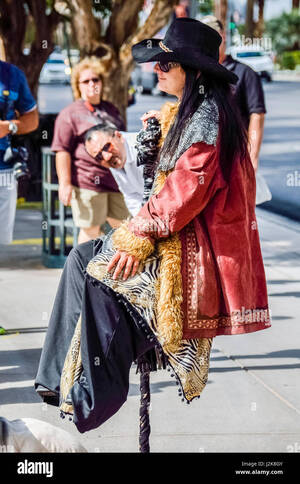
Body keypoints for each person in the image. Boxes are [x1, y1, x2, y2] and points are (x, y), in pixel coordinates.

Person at [35, 18, 271, 435]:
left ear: (191, 70)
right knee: (78, 257)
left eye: (166, 64)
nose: (156, 70)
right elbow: (162, 186)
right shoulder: (185, 113)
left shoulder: (207, 118)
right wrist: (154, 137)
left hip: (190, 257)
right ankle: (55, 380)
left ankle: (94, 395)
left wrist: (134, 237)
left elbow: (182, 193)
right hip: (170, 239)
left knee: (100, 274)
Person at [51, 56, 130, 244]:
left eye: (96, 79)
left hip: (116, 181)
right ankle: (84, 272)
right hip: (88, 182)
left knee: (125, 229)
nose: (92, 84)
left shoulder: (111, 109)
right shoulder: (70, 114)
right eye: (86, 81)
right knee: (90, 231)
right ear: (78, 86)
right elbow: (61, 150)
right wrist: (65, 183)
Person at [200, 15, 266, 174]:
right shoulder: (198, 74)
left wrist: (252, 157)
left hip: (234, 157)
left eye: (214, 36)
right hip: (203, 158)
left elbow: (257, 115)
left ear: (223, 36)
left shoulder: (245, 73)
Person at [0, 60, 38, 245]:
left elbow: (32, 119)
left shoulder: (12, 75)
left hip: (4, 172)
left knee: (1, 243)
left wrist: (9, 126)